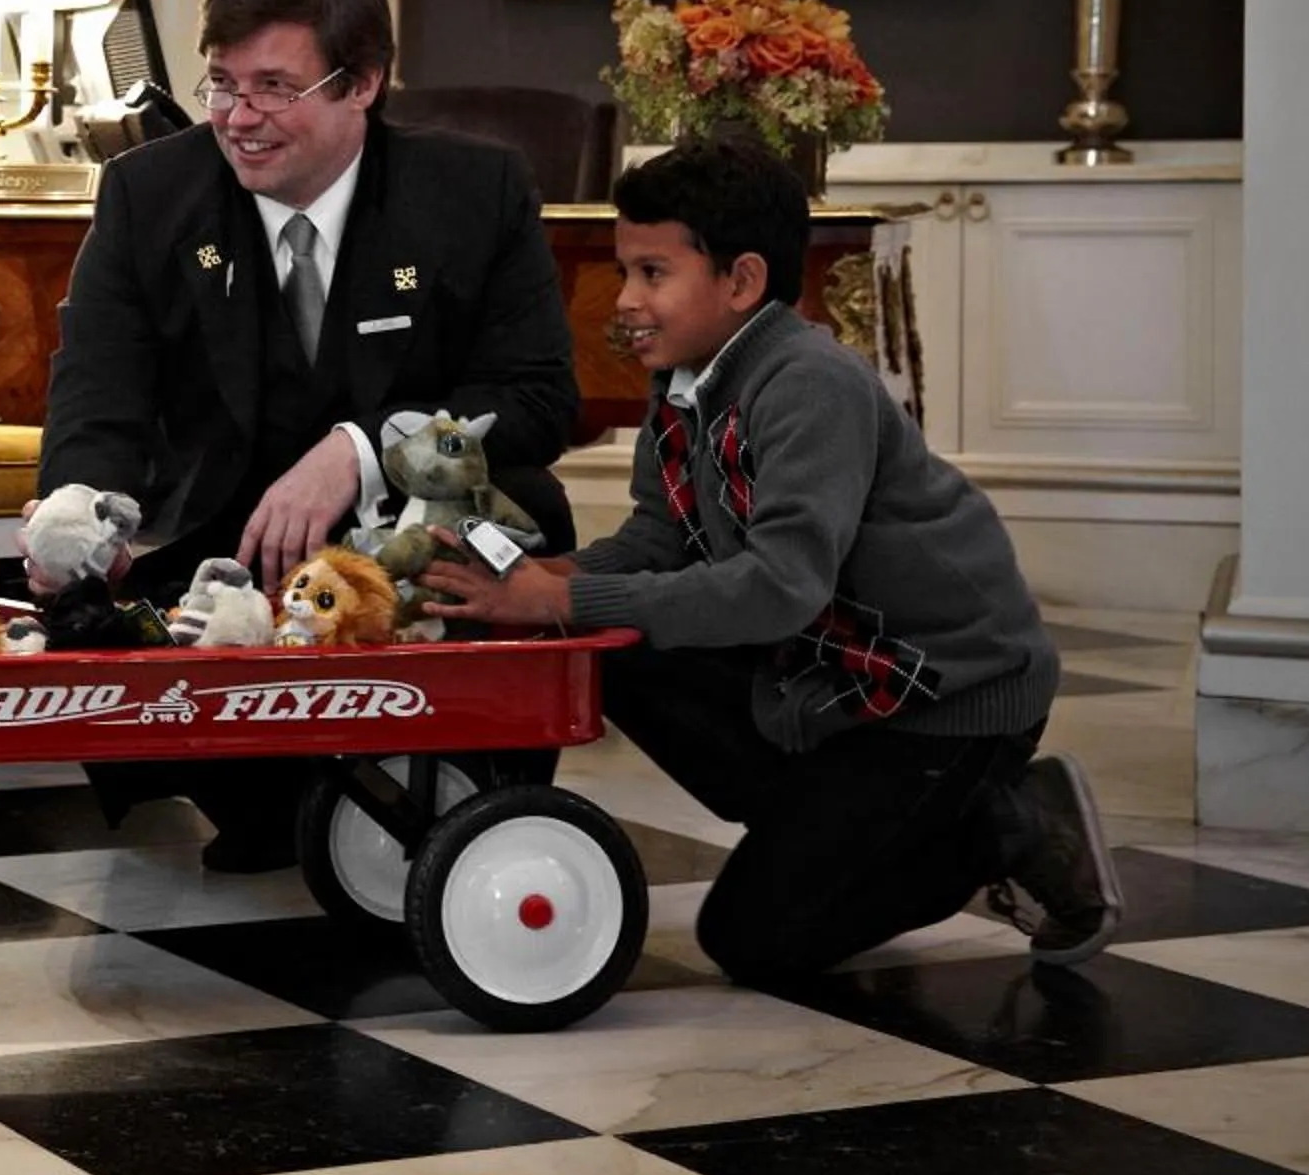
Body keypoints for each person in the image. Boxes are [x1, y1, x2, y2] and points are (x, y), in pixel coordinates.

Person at [419, 134, 1122, 981]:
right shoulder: (686, 379)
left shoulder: (809, 383)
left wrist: (562, 600)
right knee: (609, 647)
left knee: (752, 940)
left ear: (742, 281)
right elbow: (658, 541)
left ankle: (1006, 824)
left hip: (944, 698)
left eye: (653, 273)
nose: (626, 299)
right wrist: (538, 586)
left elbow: (782, 588)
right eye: (625, 270)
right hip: (826, 678)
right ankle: (833, 823)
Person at [37, 0, 579, 868]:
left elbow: (537, 398)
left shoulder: (472, 191)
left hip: (411, 530)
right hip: (224, 545)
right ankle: (278, 800)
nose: (237, 118)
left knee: (521, 515)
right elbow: (98, 389)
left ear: (361, 84)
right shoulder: (149, 193)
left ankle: (469, 800)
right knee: (101, 633)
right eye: (222, 84)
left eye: (274, 88)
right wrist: (84, 510)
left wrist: (357, 452)